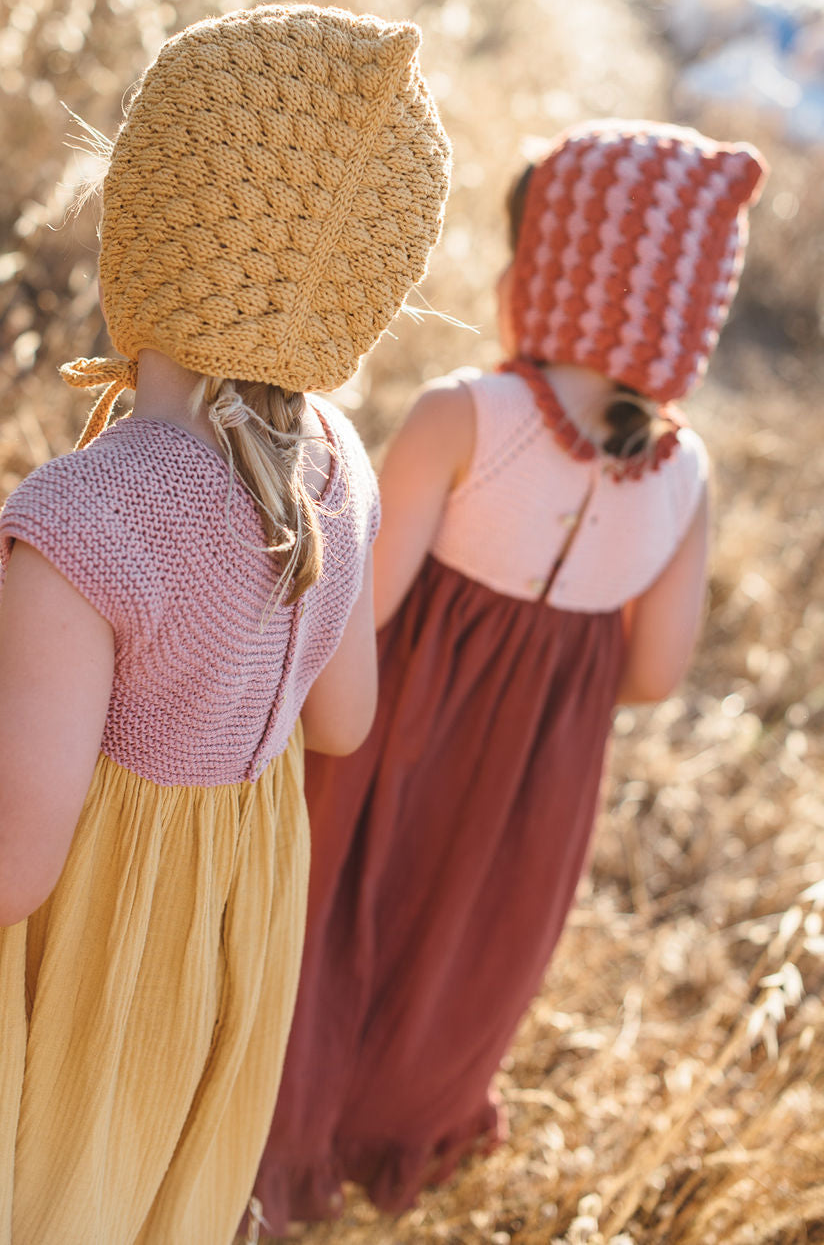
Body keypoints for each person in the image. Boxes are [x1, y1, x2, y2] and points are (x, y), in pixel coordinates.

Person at [0, 2, 452, 1245]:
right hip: (212, 952)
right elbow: (344, 720)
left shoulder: (91, 519)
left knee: (2, 1191)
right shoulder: (336, 465)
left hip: (73, 967)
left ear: (144, 220)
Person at [254, 118, 768, 1232]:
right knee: (457, 950)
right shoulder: (684, 476)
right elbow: (654, 675)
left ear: (555, 274)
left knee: (336, 918)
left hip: (388, 737)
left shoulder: (465, 415)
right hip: (535, 779)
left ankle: (269, 1130)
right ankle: (376, 1136)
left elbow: (361, 608)